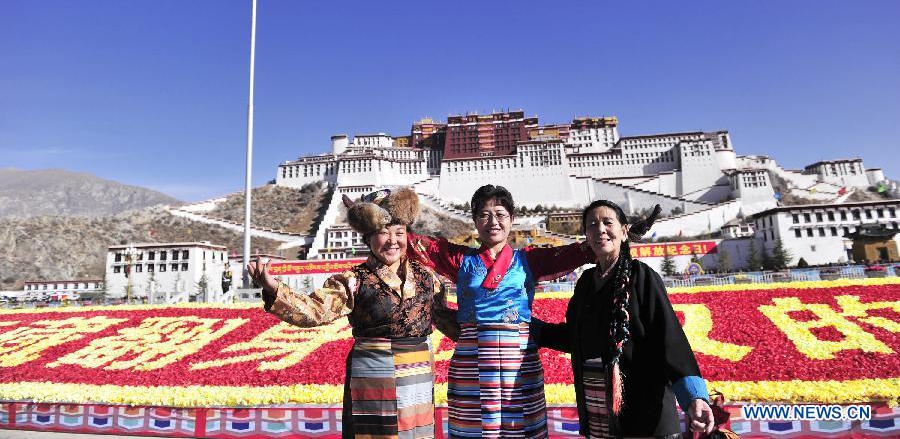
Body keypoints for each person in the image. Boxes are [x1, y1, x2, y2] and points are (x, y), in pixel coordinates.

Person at [248, 187, 458, 439]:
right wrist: (273, 288)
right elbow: (315, 311)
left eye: (399, 232)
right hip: (372, 375)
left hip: (417, 375)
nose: (393, 240)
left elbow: (446, 318)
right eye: (383, 233)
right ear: (368, 239)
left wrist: (489, 328)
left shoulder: (426, 276)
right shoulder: (352, 280)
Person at [406, 184, 595, 438]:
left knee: (522, 427)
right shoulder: (460, 259)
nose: (492, 221)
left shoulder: (529, 260)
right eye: (484, 215)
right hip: (471, 361)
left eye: (500, 214)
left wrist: (618, 233)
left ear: (512, 219)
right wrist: (378, 221)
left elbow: (576, 252)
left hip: (518, 362)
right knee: (473, 428)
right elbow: (416, 243)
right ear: (474, 221)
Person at [534, 200, 715, 439]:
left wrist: (694, 397)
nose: (600, 229)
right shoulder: (586, 282)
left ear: (624, 230)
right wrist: (533, 329)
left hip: (645, 415)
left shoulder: (641, 276)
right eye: (592, 225)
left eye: (608, 222)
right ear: (586, 236)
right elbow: (577, 337)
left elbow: (669, 337)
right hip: (598, 413)